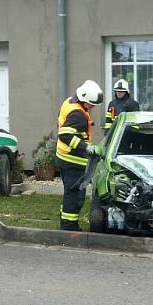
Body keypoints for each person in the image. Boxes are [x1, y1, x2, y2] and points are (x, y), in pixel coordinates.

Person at [55, 80, 103, 231]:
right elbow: (64, 135)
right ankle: (69, 228)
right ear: (83, 99)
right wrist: (86, 148)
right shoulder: (78, 114)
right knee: (75, 196)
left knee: (69, 193)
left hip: (63, 157)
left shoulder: (69, 102)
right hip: (72, 161)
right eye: (91, 104)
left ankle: (65, 222)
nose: (93, 107)